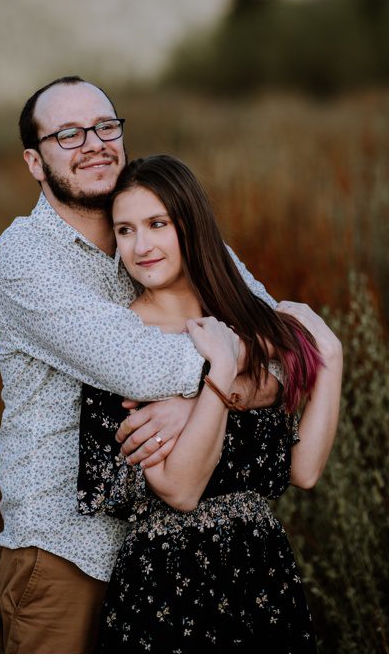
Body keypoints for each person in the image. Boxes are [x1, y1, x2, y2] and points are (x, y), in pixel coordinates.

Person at [0, 76, 332, 653]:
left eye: (104, 127)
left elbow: (283, 339)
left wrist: (204, 398)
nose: (93, 143)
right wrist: (218, 389)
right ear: (35, 161)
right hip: (65, 555)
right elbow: (144, 367)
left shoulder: (164, 228)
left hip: (174, 560)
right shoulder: (23, 258)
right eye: (68, 134)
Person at [78, 154, 342, 651]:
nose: (141, 245)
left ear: (191, 226)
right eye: (126, 230)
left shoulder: (246, 323)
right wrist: (219, 378)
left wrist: (331, 356)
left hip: (264, 575)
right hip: (169, 585)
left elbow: (304, 471)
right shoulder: (121, 341)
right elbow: (179, 490)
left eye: (157, 224)